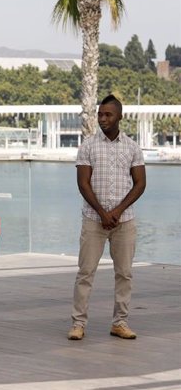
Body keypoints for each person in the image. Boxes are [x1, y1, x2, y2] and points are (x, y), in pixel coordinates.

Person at [68, 94, 146, 341]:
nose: (102, 118)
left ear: (119, 116)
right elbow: (83, 183)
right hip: (93, 219)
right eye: (100, 114)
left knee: (124, 273)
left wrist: (117, 211)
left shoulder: (132, 147)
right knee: (85, 273)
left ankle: (120, 322)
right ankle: (78, 324)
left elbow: (140, 183)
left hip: (125, 221)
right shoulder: (88, 146)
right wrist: (103, 213)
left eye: (108, 114)